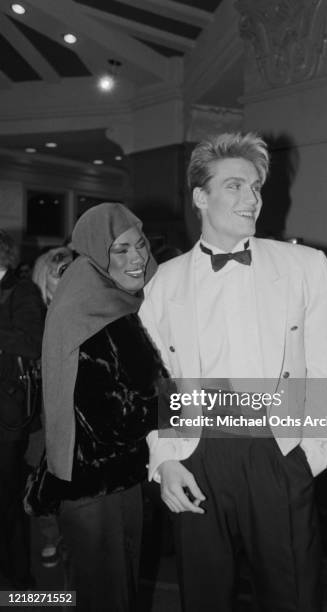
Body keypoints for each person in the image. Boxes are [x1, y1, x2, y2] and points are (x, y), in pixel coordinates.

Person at [139, 132, 327, 611]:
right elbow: (157, 381)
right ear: (200, 196)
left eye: (255, 187)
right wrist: (165, 459)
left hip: (277, 448)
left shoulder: (306, 266)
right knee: (204, 594)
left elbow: (326, 367)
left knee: (293, 593)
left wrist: (306, 454)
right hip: (198, 449)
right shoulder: (162, 284)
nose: (251, 198)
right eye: (234, 185)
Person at [25, 203, 164, 611]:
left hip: (82, 486)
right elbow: (120, 416)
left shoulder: (83, 297)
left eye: (140, 245)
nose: (137, 257)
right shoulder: (107, 314)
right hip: (105, 491)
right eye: (120, 250)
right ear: (95, 252)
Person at [0, 230, 45, 588]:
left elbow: (32, 344)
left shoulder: (22, 290)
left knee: (7, 494)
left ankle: (19, 577)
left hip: (8, 412)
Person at [29, 246, 74, 568]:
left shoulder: (86, 309)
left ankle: (72, 536)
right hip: (41, 410)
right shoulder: (34, 313)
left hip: (75, 406)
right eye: (60, 273)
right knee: (43, 471)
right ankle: (50, 535)